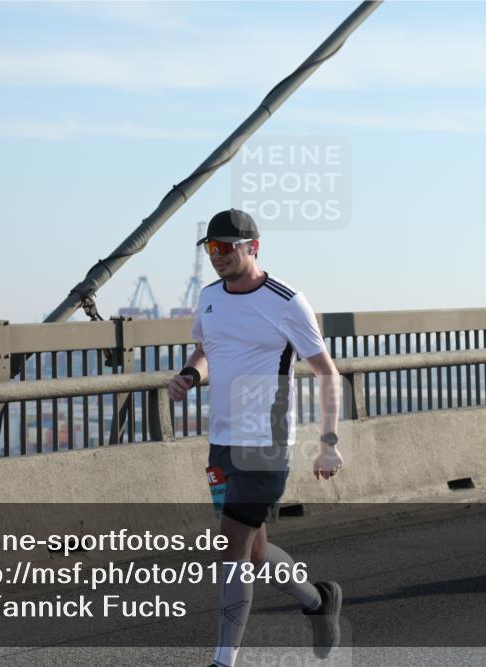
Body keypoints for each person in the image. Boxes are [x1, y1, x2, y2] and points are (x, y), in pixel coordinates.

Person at [168, 208, 345, 667]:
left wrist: (328, 442)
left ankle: (223, 660)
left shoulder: (286, 302)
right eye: (212, 248)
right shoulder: (209, 298)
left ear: (254, 248)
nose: (218, 256)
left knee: (230, 546)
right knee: (255, 549)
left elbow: (327, 372)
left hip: (266, 444)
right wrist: (190, 373)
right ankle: (316, 600)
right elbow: (208, 349)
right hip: (222, 444)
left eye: (227, 247)